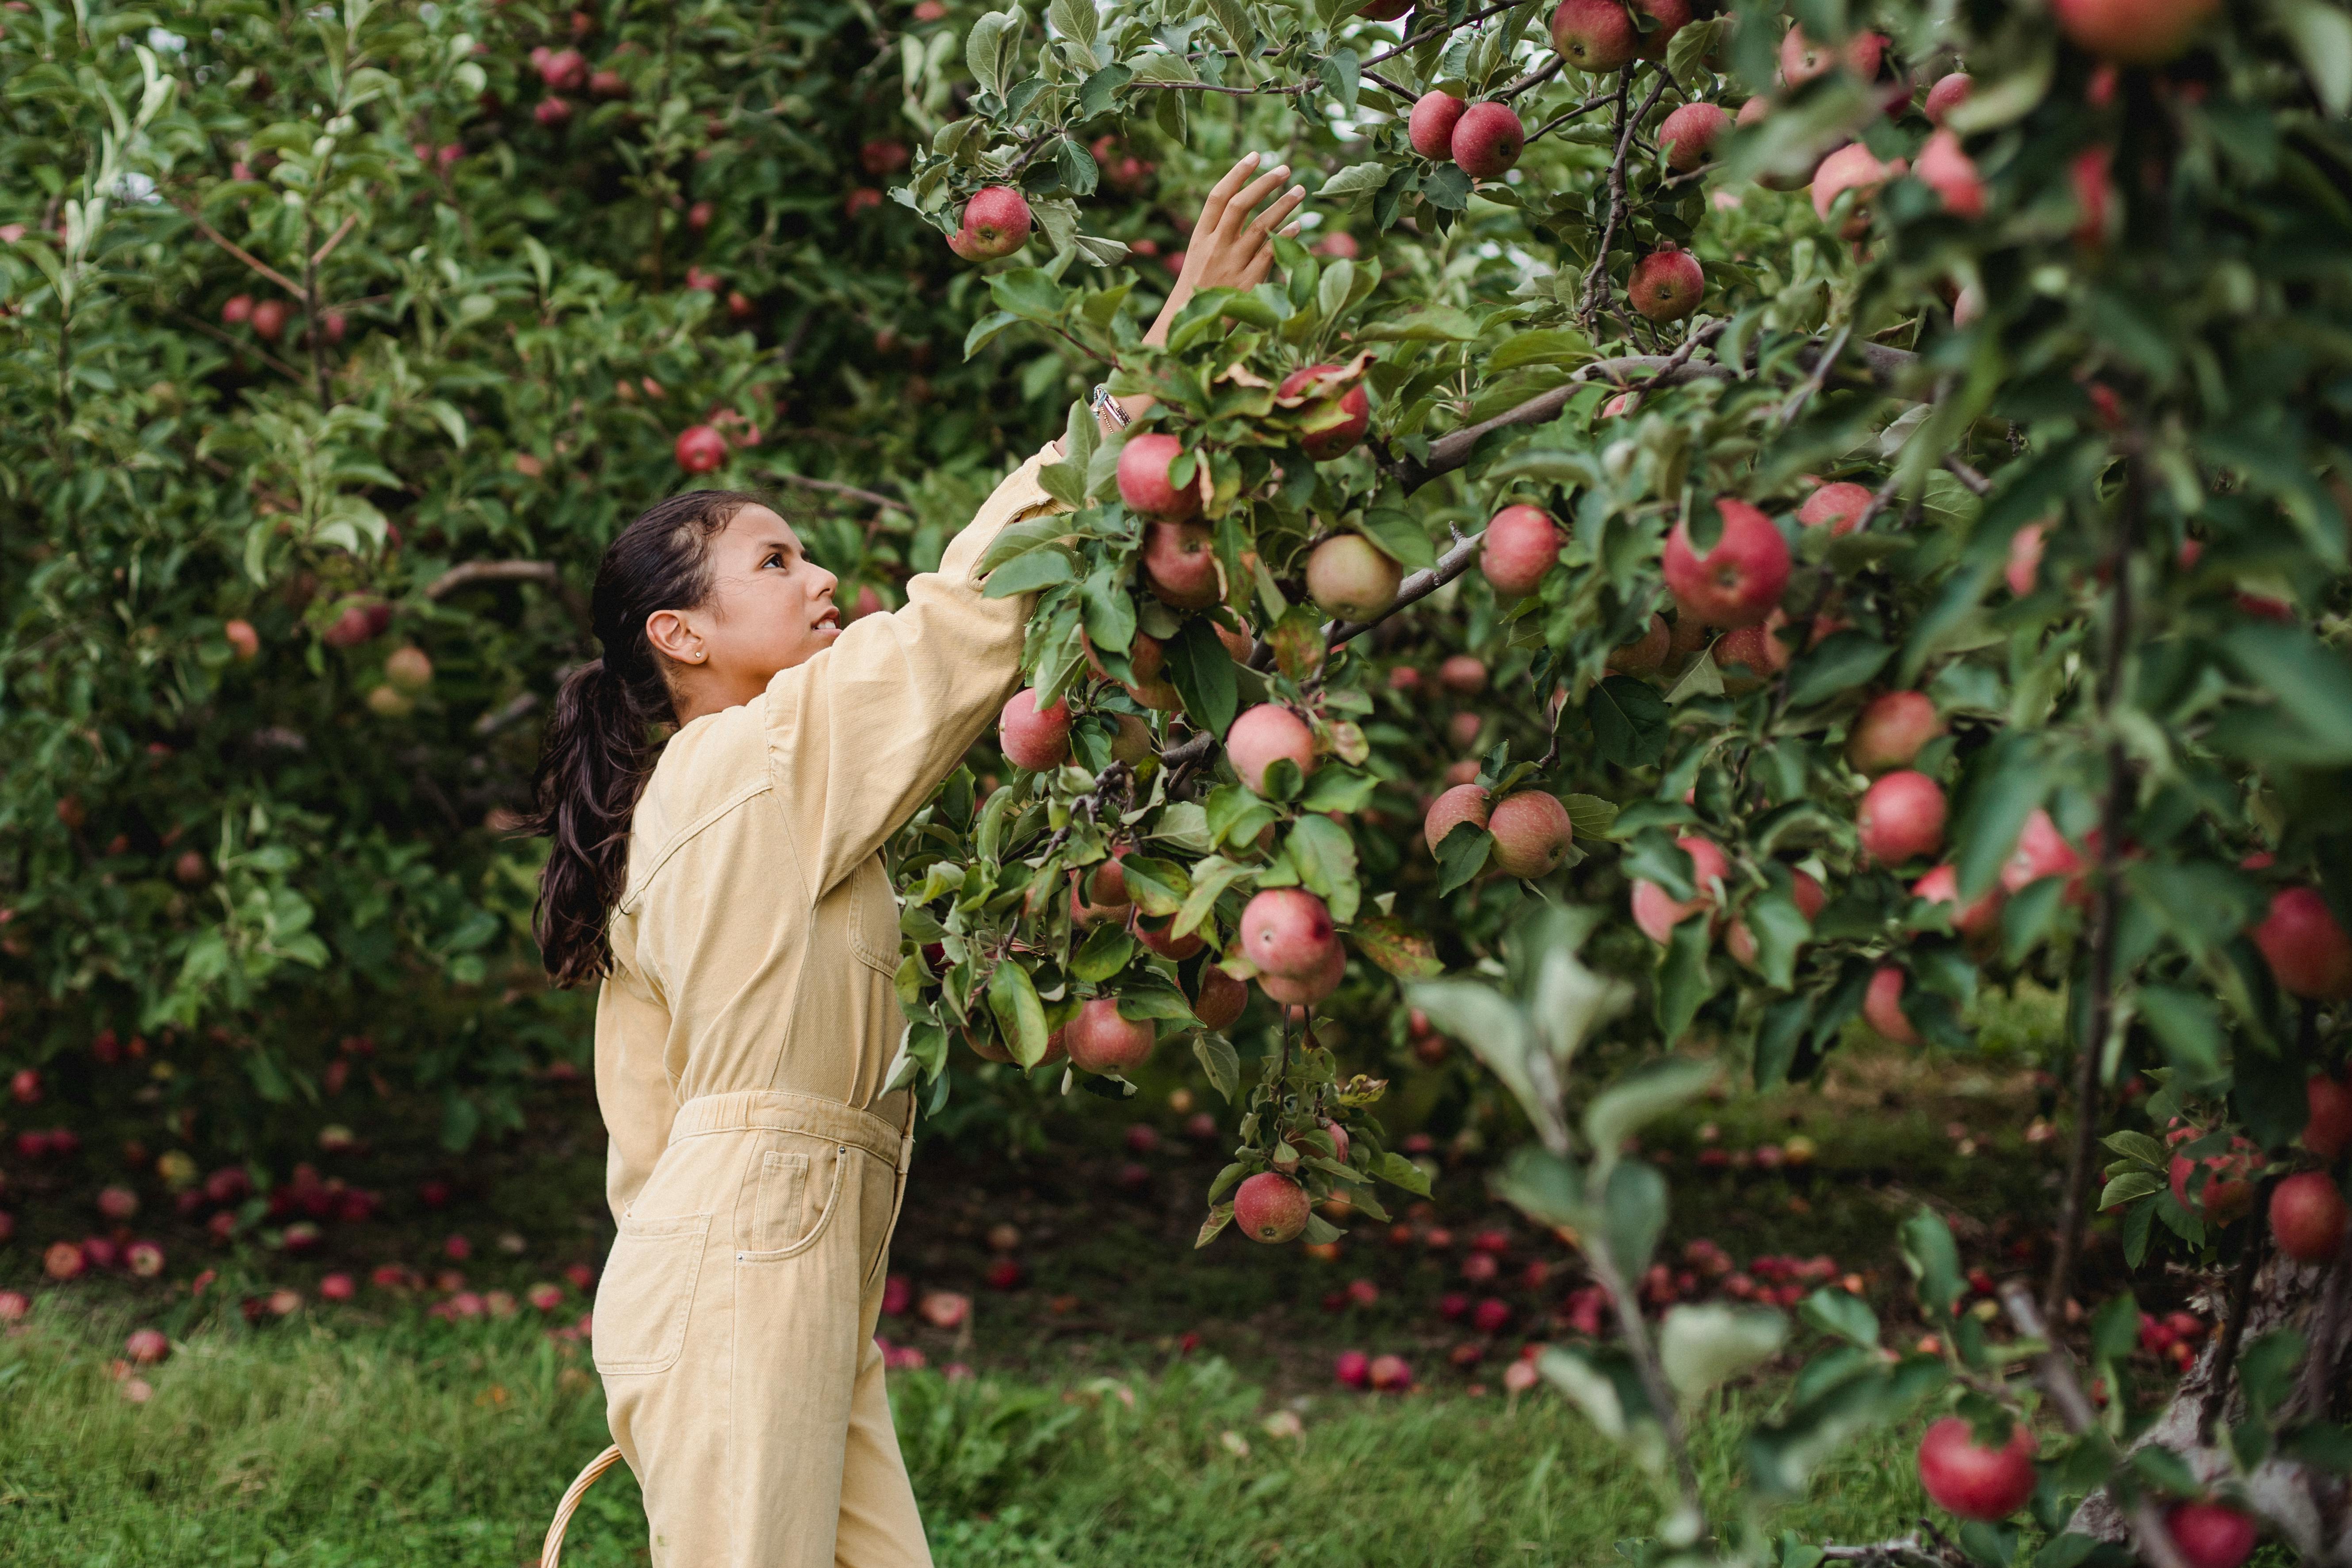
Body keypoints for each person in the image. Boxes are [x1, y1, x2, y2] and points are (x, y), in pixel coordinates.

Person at [524, 155, 1305, 1568]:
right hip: (748, 1269)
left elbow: (645, 1129)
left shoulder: (721, 792)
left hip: (771, 1265)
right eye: (773, 563)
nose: (820, 578)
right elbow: (963, 620)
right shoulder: (751, 761)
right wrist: (1157, 368)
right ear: (679, 636)